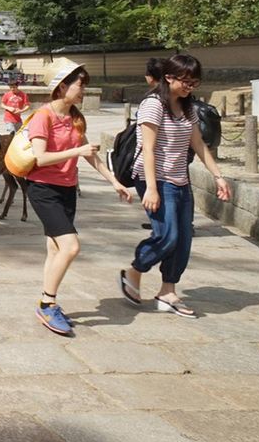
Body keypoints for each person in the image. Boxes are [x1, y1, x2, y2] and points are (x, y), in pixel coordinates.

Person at [24, 60, 133, 336]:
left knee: (55, 250)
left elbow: (90, 155)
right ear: (63, 86)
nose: (84, 90)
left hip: (67, 189)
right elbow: (41, 157)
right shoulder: (43, 116)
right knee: (71, 247)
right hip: (42, 189)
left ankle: (48, 302)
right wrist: (77, 152)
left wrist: (115, 182)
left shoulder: (74, 117)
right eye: (80, 84)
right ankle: (47, 303)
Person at [120, 54, 232, 317]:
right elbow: (147, 149)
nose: (189, 87)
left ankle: (167, 291)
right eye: (185, 82)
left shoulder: (187, 105)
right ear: (169, 77)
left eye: (194, 83)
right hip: (154, 178)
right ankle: (134, 270)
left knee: (182, 239)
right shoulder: (153, 105)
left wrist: (218, 176)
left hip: (179, 178)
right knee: (167, 235)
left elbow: (198, 145)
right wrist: (151, 188)